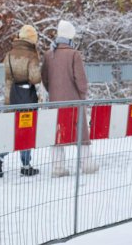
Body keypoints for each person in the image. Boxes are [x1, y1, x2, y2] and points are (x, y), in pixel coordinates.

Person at [41, 20, 97, 177]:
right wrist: (82, 94)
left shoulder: (49, 54)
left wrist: (53, 91)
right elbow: (81, 80)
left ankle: (58, 167)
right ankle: (87, 164)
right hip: (74, 100)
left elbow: (44, 78)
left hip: (55, 101)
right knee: (81, 133)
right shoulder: (74, 54)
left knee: (57, 133)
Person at [0, 25, 41, 178]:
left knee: (13, 132)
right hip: (27, 99)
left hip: (13, 97)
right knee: (26, 131)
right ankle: (26, 165)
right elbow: (35, 78)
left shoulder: (9, 54)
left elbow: (7, 78)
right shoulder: (32, 55)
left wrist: (8, 100)